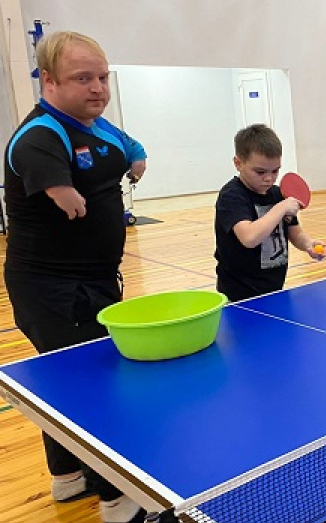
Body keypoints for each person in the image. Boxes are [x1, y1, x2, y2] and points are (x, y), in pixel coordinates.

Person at [3, 31, 148, 523]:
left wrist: (137, 156)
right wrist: (61, 189)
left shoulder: (95, 124)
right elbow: (35, 161)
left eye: (102, 77)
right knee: (95, 390)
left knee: (66, 384)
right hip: (53, 291)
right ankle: (118, 502)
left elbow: (126, 144)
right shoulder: (42, 133)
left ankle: (68, 478)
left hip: (95, 282)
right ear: (48, 81)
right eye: (83, 78)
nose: (98, 88)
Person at [215, 124, 326, 302]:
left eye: (275, 171)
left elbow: (295, 233)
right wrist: (280, 208)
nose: (269, 178)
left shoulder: (278, 194)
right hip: (238, 296)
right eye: (260, 171)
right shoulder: (232, 196)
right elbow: (249, 238)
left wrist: (308, 244)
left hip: (274, 290)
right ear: (238, 163)